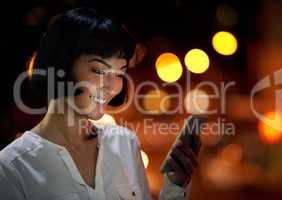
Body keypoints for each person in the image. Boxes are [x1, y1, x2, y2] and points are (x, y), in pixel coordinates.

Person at [0, 7, 200, 200]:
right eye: (98, 71)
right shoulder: (11, 167)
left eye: (119, 73)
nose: (112, 87)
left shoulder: (125, 143)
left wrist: (174, 186)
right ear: (60, 67)